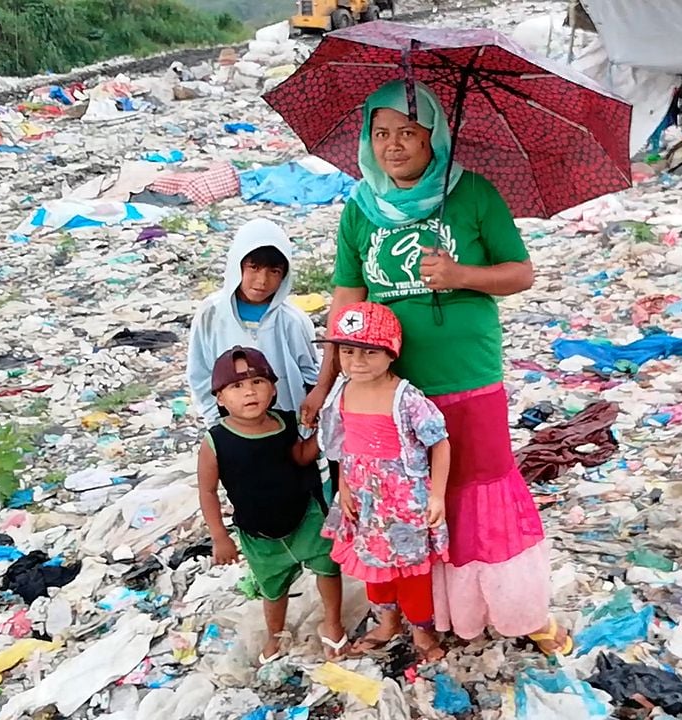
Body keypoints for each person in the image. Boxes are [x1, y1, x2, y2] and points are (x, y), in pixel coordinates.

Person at [301, 80, 572, 656]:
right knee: (407, 496)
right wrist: (326, 384)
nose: (393, 145)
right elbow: (346, 303)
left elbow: (520, 273)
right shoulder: (360, 209)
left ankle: (516, 611)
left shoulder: (472, 193)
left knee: (479, 484)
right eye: (381, 134)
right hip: (390, 385)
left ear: (435, 138)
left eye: (408, 132)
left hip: (468, 373)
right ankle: (436, 612)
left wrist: (460, 276)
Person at [315, 302, 451, 661]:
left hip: (403, 501)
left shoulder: (406, 398)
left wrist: (437, 496)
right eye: (348, 351)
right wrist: (344, 488)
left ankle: (422, 632)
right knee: (373, 567)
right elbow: (343, 447)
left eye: (369, 352)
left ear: (391, 353)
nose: (357, 361)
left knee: (411, 571)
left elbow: (440, 443)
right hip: (362, 500)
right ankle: (387, 622)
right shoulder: (342, 393)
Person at [196, 346, 348, 662]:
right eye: (237, 386)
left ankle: (333, 623)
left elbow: (300, 457)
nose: (249, 392)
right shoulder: (216, 441)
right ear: (220, 399)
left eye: (258, 382)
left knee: (328, 569)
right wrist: (220, 537)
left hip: (306, 518)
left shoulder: (285, 422)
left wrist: (323, 434)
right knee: (273, 589)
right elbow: (208, 491)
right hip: (259, 534)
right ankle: (275, 636)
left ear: (274, 388)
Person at [186, 218, 319, 425]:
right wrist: (216, 423)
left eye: (274, 272)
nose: (262, 280)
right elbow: (200, 372)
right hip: (232, 427)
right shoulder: (211, 314)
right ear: (237, 266)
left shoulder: (292, 320)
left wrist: (306, 424)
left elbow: (311, 375)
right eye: (254, 268)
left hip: (287, 425)